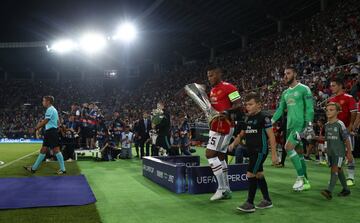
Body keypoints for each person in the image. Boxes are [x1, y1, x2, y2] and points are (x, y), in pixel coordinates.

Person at [229, 92, 277, 212]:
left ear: (259, 105)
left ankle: (250, 203)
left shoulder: (264, 117)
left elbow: (271, 136)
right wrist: (233, 144)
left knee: (250, 174)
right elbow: (242, 133)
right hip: (251, 151)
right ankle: (267, 200)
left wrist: (274, 155)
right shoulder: (248, 118)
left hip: (260, 151)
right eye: (247, 104)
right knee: (259, 174)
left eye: (251, 104)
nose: (247, 107)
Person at [271, 66, 314, 191]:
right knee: (299, 153)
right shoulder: (285, 93)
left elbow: (310, 108)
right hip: (289, 126)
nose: (285, 76)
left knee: (288, 147)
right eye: (284, 74)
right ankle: (306, 182)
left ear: (295, 73)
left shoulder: (304, 89)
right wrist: (271, 121)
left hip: (300, 125)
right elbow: (280, 109)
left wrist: (309, 125)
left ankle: (300, 177)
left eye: (288, 73)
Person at [205, 66, 241, 201]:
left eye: (212, 75)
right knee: (220, 156)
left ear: (219, 74)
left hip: (224, 126)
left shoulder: (230, 87)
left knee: (209, 154)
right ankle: (227, 189)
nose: (210, 79)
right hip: (215, 125)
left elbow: (238, 104)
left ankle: (220, 189)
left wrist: (227, 112)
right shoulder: (212, 90)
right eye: (208, 76)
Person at [24, 96, 66, 175]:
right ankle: (33, 168)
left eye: (43, 101)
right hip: (51, 132)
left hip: (51, 132)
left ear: (48, 102)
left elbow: (46, 120)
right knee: (43, 150)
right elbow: (57, 121)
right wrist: (60, 128)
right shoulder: (54, 109)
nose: (42, 102)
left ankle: (63, 169)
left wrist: (35, 128)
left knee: (56, 150)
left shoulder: (50, 109)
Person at [328, 78, 357, 186]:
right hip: (334, 131)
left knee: (349, 154)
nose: (331, 88)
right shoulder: (331, 100)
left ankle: (351, 177)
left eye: (333, 85)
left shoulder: (349, 98)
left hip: (345, 130)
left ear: (340, 86)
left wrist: (350, 126)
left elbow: (353, 112)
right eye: (331, 86)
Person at [321, 102, 352, 199]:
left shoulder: (340, 124)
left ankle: (329, 191)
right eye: (327, 110)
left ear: (338, 111)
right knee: (339, 170)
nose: (328, 112)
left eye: (331, 110)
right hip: (330, 152)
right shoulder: (326, 125)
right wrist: (314, 137)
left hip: (339, 152)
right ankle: (346, 189)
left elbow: (346, 139)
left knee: (334, 169)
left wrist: (349, 153)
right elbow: (326, 139)